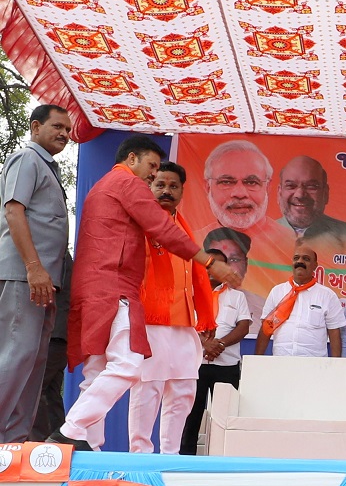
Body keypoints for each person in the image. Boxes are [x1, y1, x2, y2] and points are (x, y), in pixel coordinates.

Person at [50, 135, 239, 451]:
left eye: (167, 180)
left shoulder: (101, 188)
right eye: (152, 168)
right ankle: (72, 429)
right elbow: (162, 228)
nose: (153, 177)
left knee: (97, 371)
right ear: (132, 158)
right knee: (127, 366)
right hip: (116, 289)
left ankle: (90, 446)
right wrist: (210, 262)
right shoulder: (128, 184)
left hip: (94, 289)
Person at [129, 161, 216, 455]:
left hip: (182, 321)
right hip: (150, 320)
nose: (166, 191)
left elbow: (198, 273)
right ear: (149, 187)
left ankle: (170, 456)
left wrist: (206, 317)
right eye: (160, 185)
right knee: (147, 389)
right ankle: (140, 457)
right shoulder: (139, 223)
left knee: (183, 389)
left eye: (173, 186)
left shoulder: (183, 225)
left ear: (181, 191)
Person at [0, 104, 72, 442]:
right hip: (24, 276)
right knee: (16, 355)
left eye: (68, 130)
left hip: (44, 280)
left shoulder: (48, 166)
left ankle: (12, 442)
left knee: (32, 363)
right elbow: (14, 211)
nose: (64, 134)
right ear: (34, 126)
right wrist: (33, 268)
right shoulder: (26, 159)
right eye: (57, 126)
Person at [180, 248, 251, 455]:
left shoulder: (237, 297)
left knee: (227, 417)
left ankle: (227, 459)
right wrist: (205, 344)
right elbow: (184, 323)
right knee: (191, 416)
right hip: (196, 366)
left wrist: (218, 345)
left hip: (226, 366)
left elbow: (244, 326)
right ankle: (186, 461)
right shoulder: (190, 293)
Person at [254, 246, 345, 358]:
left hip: (314, 364)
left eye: (306, 259)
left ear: (315, 266)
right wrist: (257, 360)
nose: (300, 261)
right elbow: (266, 328)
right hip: (281, 361)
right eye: (296, 258)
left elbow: (334, 333)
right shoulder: (277, 291)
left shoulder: (327, 295)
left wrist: (336, 365)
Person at [202, 140, 287, 242]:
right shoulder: (192, 245)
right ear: (208, 187)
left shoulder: (294, 246)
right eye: (227, 182)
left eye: (251, 182)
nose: (239, 194)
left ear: (267, 187)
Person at [276, 156, 346, 250]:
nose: (300, 195)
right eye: (291, 186)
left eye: (311, 187)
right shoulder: (260, 237)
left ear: (325, 193)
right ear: (279, 193)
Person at [30, 253, 72, 442]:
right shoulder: (56, 255)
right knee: (48, 393)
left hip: (52, 334)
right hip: (55, 334)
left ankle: (41, 446)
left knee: (34, 391)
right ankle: (55, 445)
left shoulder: (53, 256)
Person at [203, 227, 265, 333]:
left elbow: (243, 329)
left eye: (234, 259)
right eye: (212, 264)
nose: (221, 270)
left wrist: (219, 344)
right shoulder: (190, 295)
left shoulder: (260, 306)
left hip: (226, 349)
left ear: (245, 264)